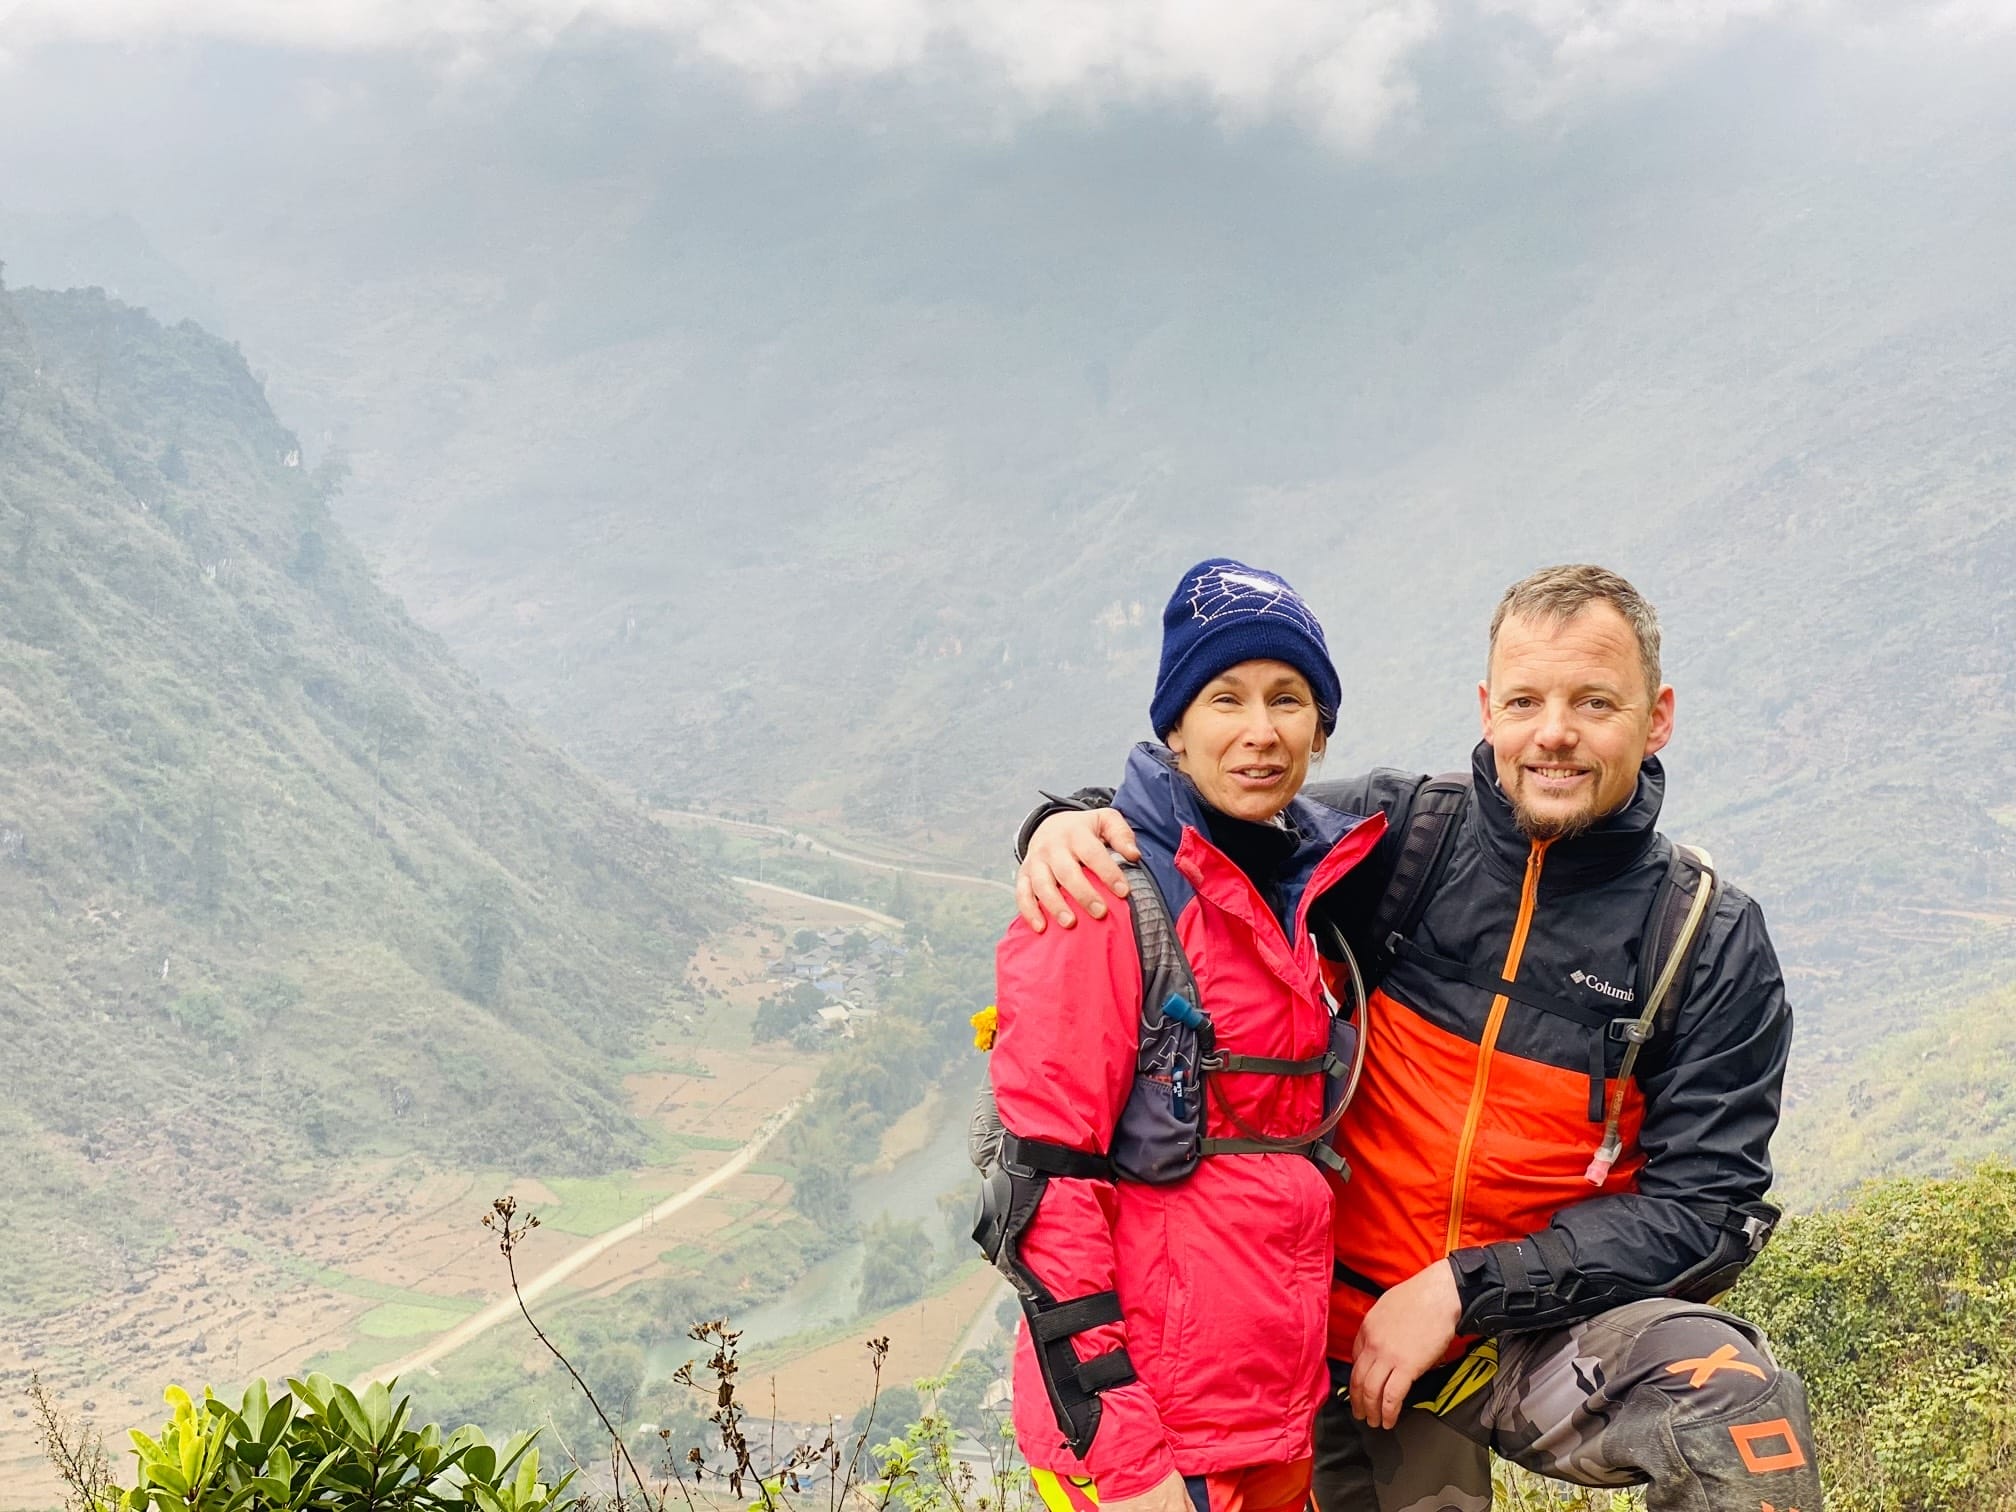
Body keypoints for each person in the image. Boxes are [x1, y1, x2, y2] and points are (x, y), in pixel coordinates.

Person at [1011, 565, 1822, 1512]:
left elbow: (1709, 1207)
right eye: (1526, 699)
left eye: (1594, 701)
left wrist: (1465, 1290)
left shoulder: (1704, 937)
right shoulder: (1398, 840)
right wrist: (1060, 824)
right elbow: (1209, 816)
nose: (1553, 731)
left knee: (1733, 1403)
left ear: (1658, 716)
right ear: (1488, 708)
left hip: (1520, 1332)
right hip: (1323, 1322)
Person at [983, 559, 1384, 1512]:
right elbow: (1040, 1191)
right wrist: (1122, 1458)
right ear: (1175, 725)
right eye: (1225, 697)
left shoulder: (1311, 887)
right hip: (1152, 1442)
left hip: (1272, 1419)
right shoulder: (1098, 895)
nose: (1260, 730)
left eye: (1289, 699)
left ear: (1322, 731)